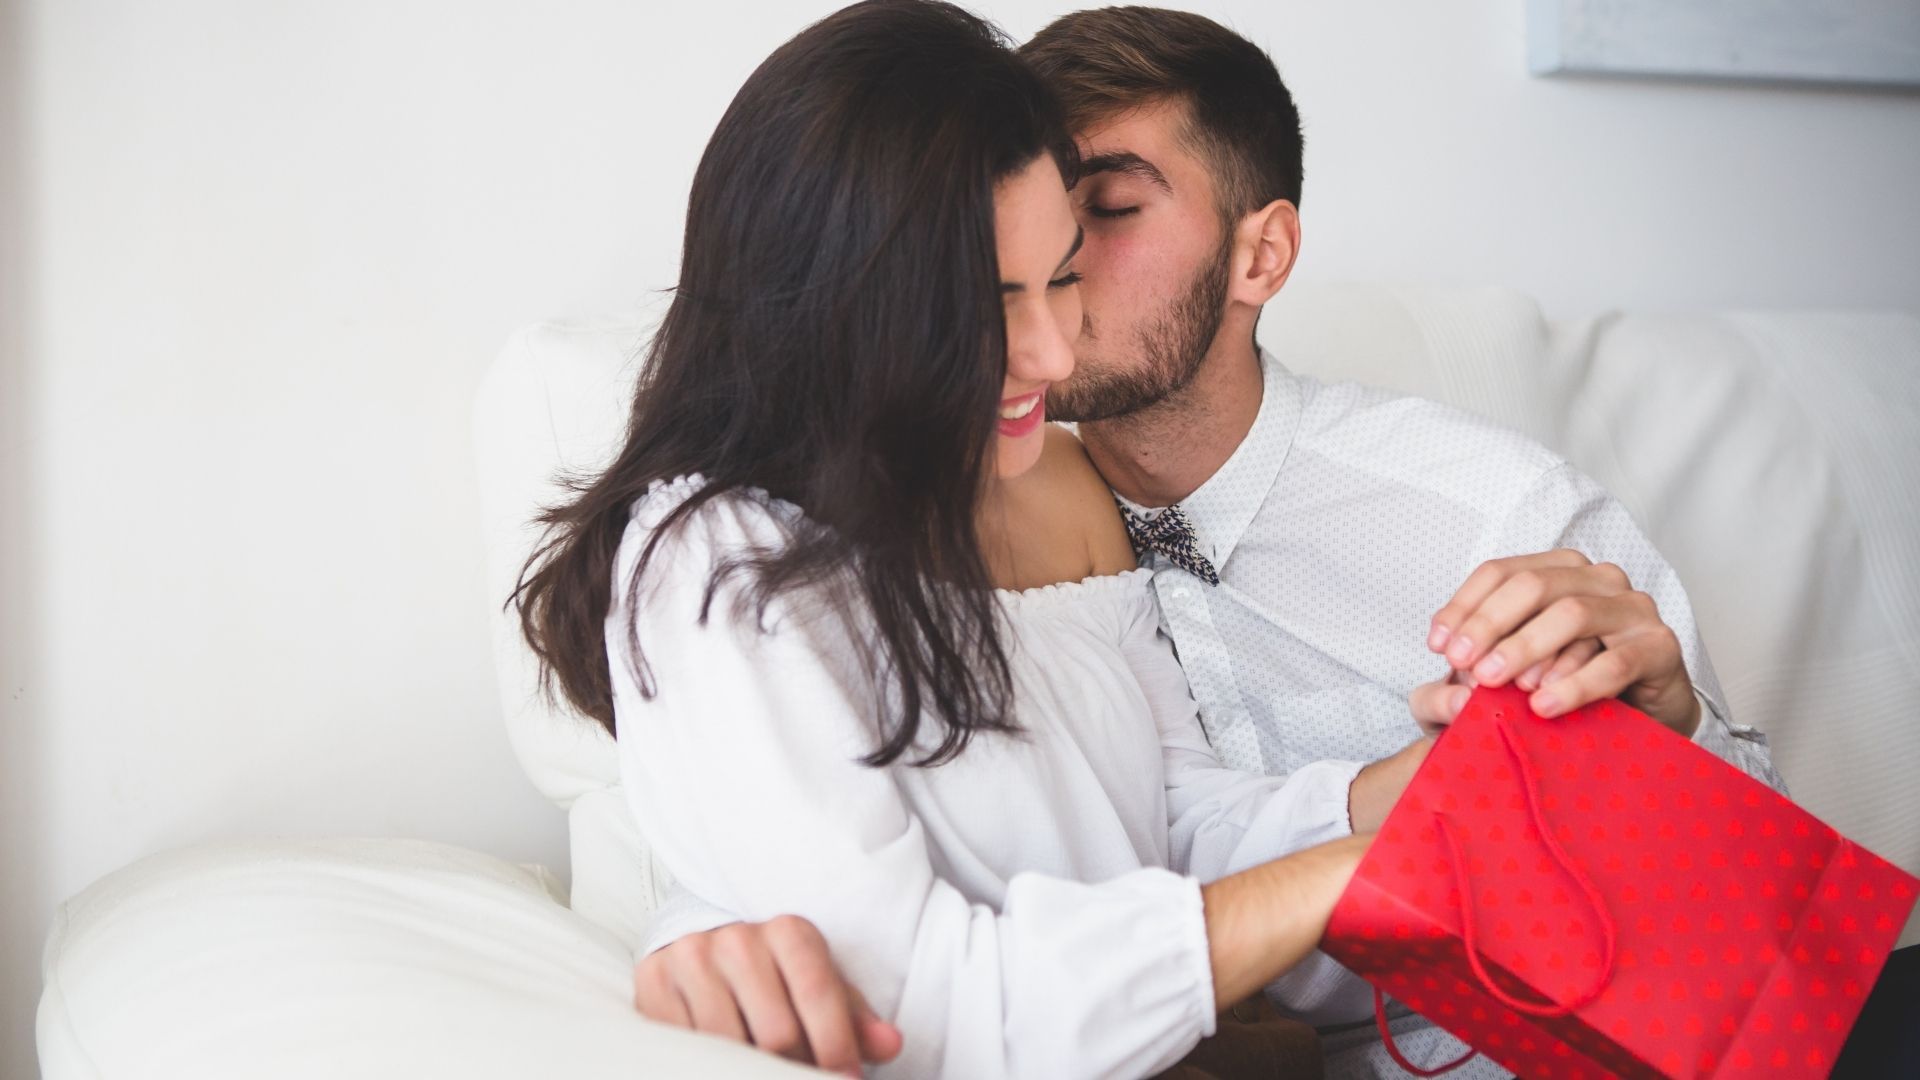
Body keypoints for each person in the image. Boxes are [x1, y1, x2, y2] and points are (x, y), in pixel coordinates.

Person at [632, 6, 1791, 1079]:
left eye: (1093, 231)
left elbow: (1764, 906)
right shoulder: (852, 528)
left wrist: (1643, 744)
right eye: (1005, 279)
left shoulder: (1488, 509)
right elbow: (867, 917)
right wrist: (697, 913)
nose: (1056, 340)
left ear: (1261, 257)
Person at [513, 3, 1416, 1077]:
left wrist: (1414, 798)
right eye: (986, 305)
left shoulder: (1059, 485)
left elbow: (1176, 825)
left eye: (1063, 277)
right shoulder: (715, 562)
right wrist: (1342, 874)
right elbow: (928, 1003)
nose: (1053, 354)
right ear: (835, 306)